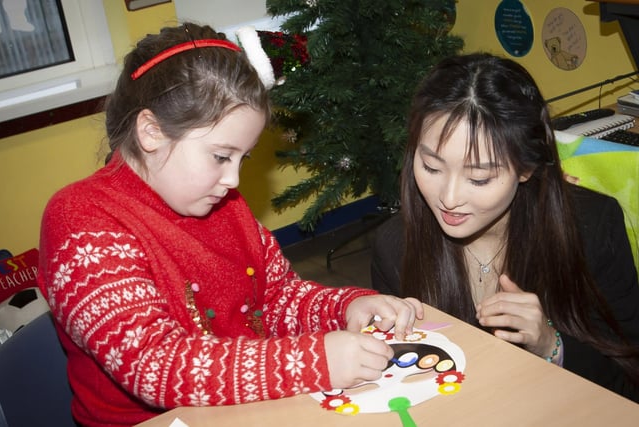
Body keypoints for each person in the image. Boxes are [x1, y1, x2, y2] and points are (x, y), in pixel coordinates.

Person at [37, 22, 423, 427]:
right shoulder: (80, 221)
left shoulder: (222, 203)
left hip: (250, 408)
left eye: (244, 158)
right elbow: (154, 363)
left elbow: (275, 300)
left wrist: (344, 306)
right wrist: (315, 360)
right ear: (151, 132)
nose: (234, 181)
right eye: (221, 156)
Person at [371, 52, 639, 402]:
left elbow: (629, 383)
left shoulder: (589, 227)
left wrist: (550, 345)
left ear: (526, 168)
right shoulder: (395, 246)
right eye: (432, 167)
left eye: (479, 178)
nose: (449, 198)